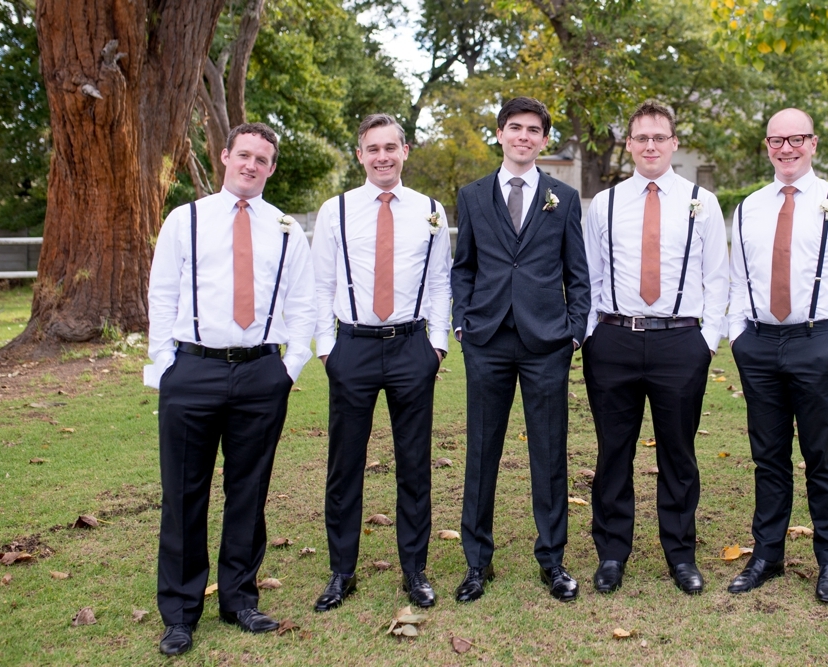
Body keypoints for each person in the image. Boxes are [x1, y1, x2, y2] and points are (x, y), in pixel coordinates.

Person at [145, 122, 317, 656]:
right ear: (225, 157)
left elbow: (303, 302)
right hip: (192, 370)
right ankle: (180, 611)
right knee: (183, 493)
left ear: (271, 168)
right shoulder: (185, 219)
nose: (251, 165)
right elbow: (162, 292)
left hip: (261, 374)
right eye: (244, 155)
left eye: (262, 159)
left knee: (249, 490)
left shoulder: (287, 228)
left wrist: (290, 367)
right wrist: (163, 369)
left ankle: (239, 598)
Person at [727, 108, 828, 604]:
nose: (785, 149)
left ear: (813, 143)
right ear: (766, 146)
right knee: (768, 457)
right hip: (759, 343)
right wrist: (737, 336)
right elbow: (734, 278)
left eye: (795, 139)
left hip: (818, 343)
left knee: (821, 458)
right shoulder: (748, 206)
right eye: (776, 140)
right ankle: (767, 555)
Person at [581, 101, 729, 595]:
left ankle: (680, 553)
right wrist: (591, 335)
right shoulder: (604, 204)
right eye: (641, 138)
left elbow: (717, 277)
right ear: (629, 144)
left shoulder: (701, 202)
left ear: (673, 144)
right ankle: (612, 552)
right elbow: (590, 276)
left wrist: (706, 340)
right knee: (613, 452)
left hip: (680, 342)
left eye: (659, 137)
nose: (650, 146)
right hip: (614, 339)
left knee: (679, 454)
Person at [311, 114, 452, 612]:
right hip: (352, 347)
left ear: (405, 151)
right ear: (360, 155)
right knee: (344, 464)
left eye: (391, 147)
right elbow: (321, 284)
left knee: (414, 464)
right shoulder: (336, 211)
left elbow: (440, 283)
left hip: (412, 346)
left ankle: (415, 570)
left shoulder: (430, 211)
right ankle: (341, 572)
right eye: (373, 148)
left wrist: (436, 346)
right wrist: (327, 350)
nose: (383, 156)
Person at [451, 96, 590, 603]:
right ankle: (476, 563)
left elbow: (578, 272)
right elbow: (463, 265)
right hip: (486, 339)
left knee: (550, 453)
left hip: (546, 342)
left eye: (534, 129)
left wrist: (574, 330)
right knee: (481, 451)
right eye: (515, 127)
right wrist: (462, 324)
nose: (524, 136)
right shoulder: (471, 195)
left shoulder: (564, 198)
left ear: (544, 140)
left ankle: (552, 560)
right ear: (500, 133)